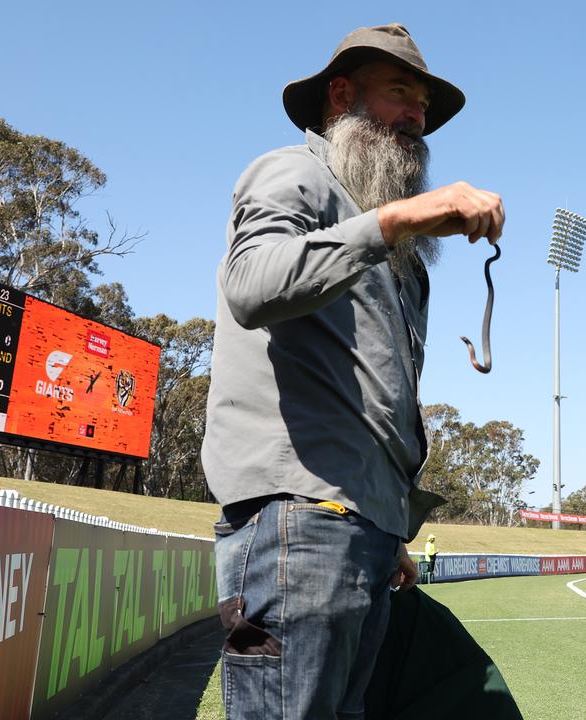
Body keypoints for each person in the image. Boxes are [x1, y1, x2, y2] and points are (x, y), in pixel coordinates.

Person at [202, 23, 504, 719]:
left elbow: (375, 393)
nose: (418, 119)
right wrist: (396, 221)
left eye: (424, 107)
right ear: (341, 95)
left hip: (359, 530)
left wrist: (390, 523)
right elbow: (250, 285)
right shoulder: (294, 172)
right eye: (402, 94)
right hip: (296, 522)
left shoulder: (391, 249)